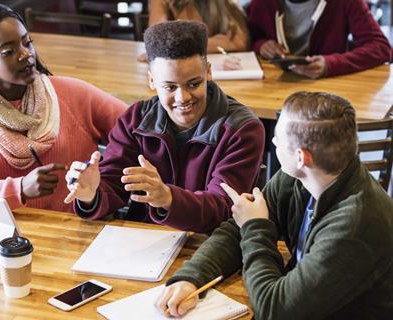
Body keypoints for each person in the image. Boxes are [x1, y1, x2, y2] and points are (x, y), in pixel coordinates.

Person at [156, 91, 393, 319]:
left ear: (302, 157)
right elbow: (236, 230)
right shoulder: (303, 176)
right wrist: (191, 278)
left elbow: (274, 310)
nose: (273, 140)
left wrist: (255, 226)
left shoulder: (354, 226)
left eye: (278, 138)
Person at [0, 3, 127, 214]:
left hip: (77, 235)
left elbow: (139, 129)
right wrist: (18, 189)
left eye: (27, 43)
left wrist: (104, 180)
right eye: (8, 51)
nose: (25, 54)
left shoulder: (74, 93)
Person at [65, 21, 264, 234]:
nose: (183, 97)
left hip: (210, 246)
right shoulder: (135, 120)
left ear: (208, 72)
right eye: (169, 87)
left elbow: (224, 209)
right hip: (143, 243)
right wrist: (91, 194)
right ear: (151, 80)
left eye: (193, 84)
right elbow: (113, 186)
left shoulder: (243, 130)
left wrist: (168, 198)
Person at [248, 0, 392, 78]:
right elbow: (251, 39)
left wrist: (331, 64)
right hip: (275, 84)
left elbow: (381, 47)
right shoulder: (261, 3)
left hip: (326, 87)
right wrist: (261, 45)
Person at [138, 0, 249, 68]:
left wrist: (179, 44)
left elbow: (238, 41)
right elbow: (159, 41)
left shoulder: (222, 3)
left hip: (218, 74)